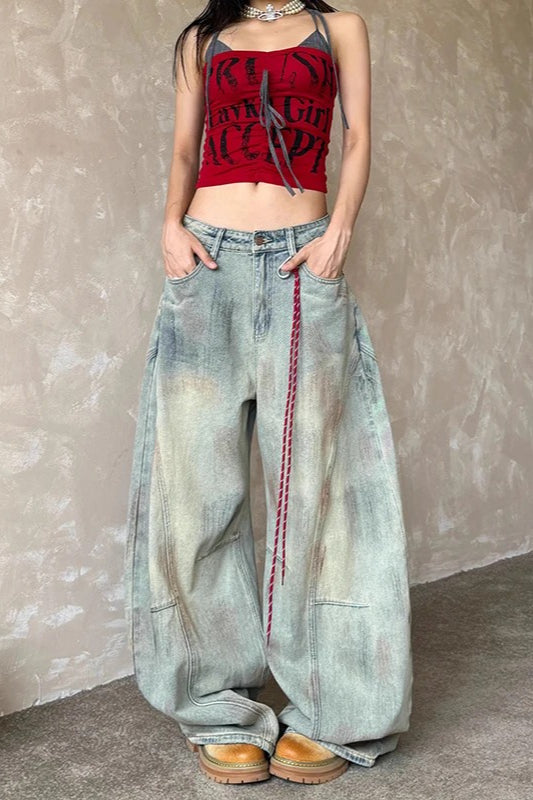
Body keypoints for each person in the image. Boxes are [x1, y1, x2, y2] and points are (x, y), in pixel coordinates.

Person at [124, 0, 413, 786]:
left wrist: (338, 231)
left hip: (302, 261)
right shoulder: (202, 37)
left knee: (323, 488)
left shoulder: (339, 27)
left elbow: (359, 137)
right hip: (206, 261)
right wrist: (169, 228)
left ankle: (338, 705)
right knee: (195, 492)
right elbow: (184, 147)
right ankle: (215, 703)